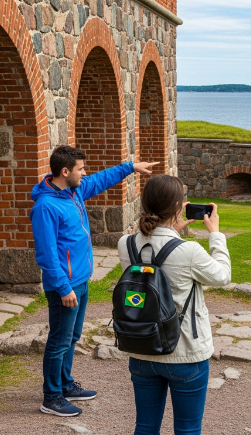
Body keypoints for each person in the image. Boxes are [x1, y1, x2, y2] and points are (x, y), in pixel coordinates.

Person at [31, 146, 157, 417]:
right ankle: (51, 397)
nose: (84, 173)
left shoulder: (74, 191)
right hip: (65, 285)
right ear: (65, 172)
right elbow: (46, 254)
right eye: (80, 169)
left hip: (81, 280)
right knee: (59, 340)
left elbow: (100, 179)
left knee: (72, 337)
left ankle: (65, 384)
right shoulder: (45, 206)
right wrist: (64, 287)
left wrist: (130, 167)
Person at [117, 175, 231, 435]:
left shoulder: (126, 244)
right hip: (185, 352)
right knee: (188, 433)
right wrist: (215, 234)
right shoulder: (188, 250)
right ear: (179, 207)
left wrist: (172, 228)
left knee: (144, 430)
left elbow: (154, 246)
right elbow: (223, 276)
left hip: (142, 347)